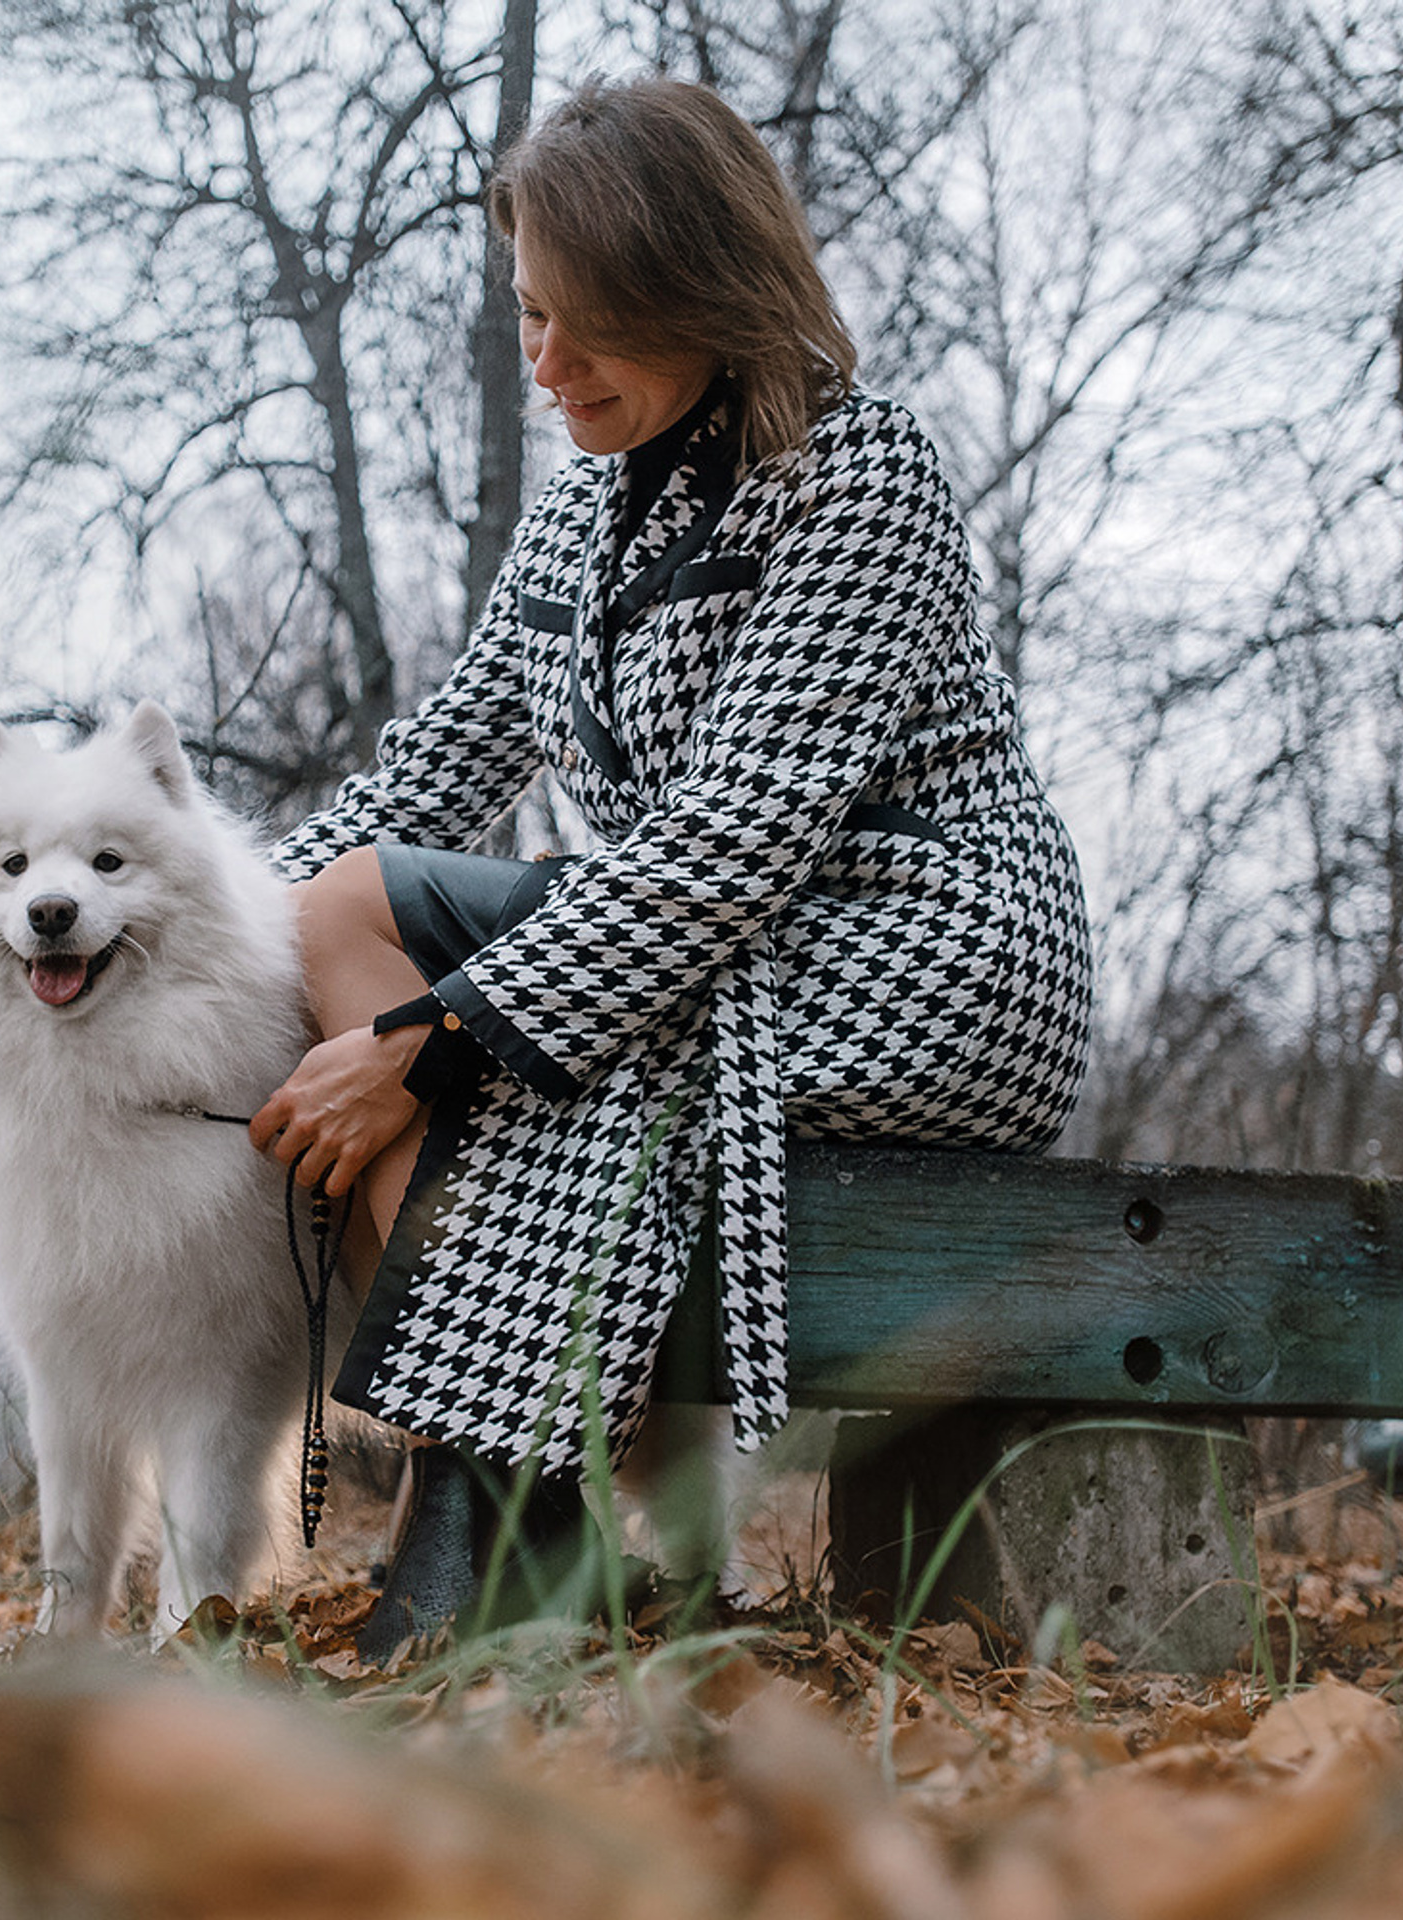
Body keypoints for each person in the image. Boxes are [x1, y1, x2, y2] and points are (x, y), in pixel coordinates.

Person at [249, 75, 1093, 1650]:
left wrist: (423, 1049)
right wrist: (180, 941)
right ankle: (527, 1489)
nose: (551, 366)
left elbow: (732, 842)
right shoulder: (576, 525)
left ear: (707, 292)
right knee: (324, 914)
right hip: (717, 946)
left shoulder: (862, 475)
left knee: (474, 997)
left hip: (929, 953)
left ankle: (502, 1496)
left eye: (595, 326)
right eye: (528, 315)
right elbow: (431, 772)